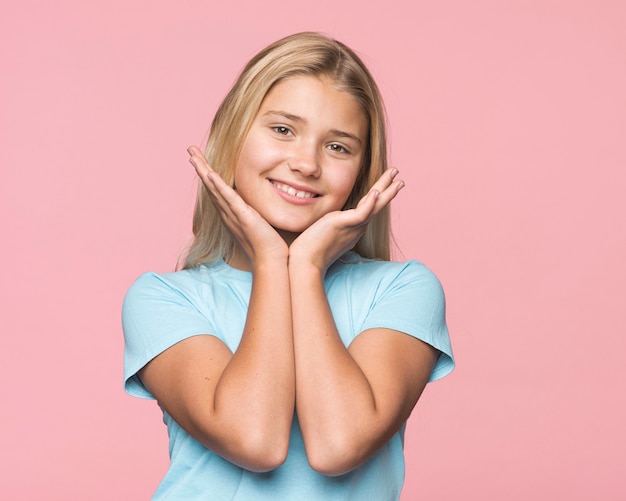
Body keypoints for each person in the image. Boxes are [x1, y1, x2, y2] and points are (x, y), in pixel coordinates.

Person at [123, 32, 454, 500]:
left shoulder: (403, 290)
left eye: (338, 147)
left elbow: (339, 445)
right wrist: (271, 262)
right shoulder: (164, 298)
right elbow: (255, 440)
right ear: (234, 134)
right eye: (282, 129)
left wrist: (305, 267)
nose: (305, 163)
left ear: (361, 174)